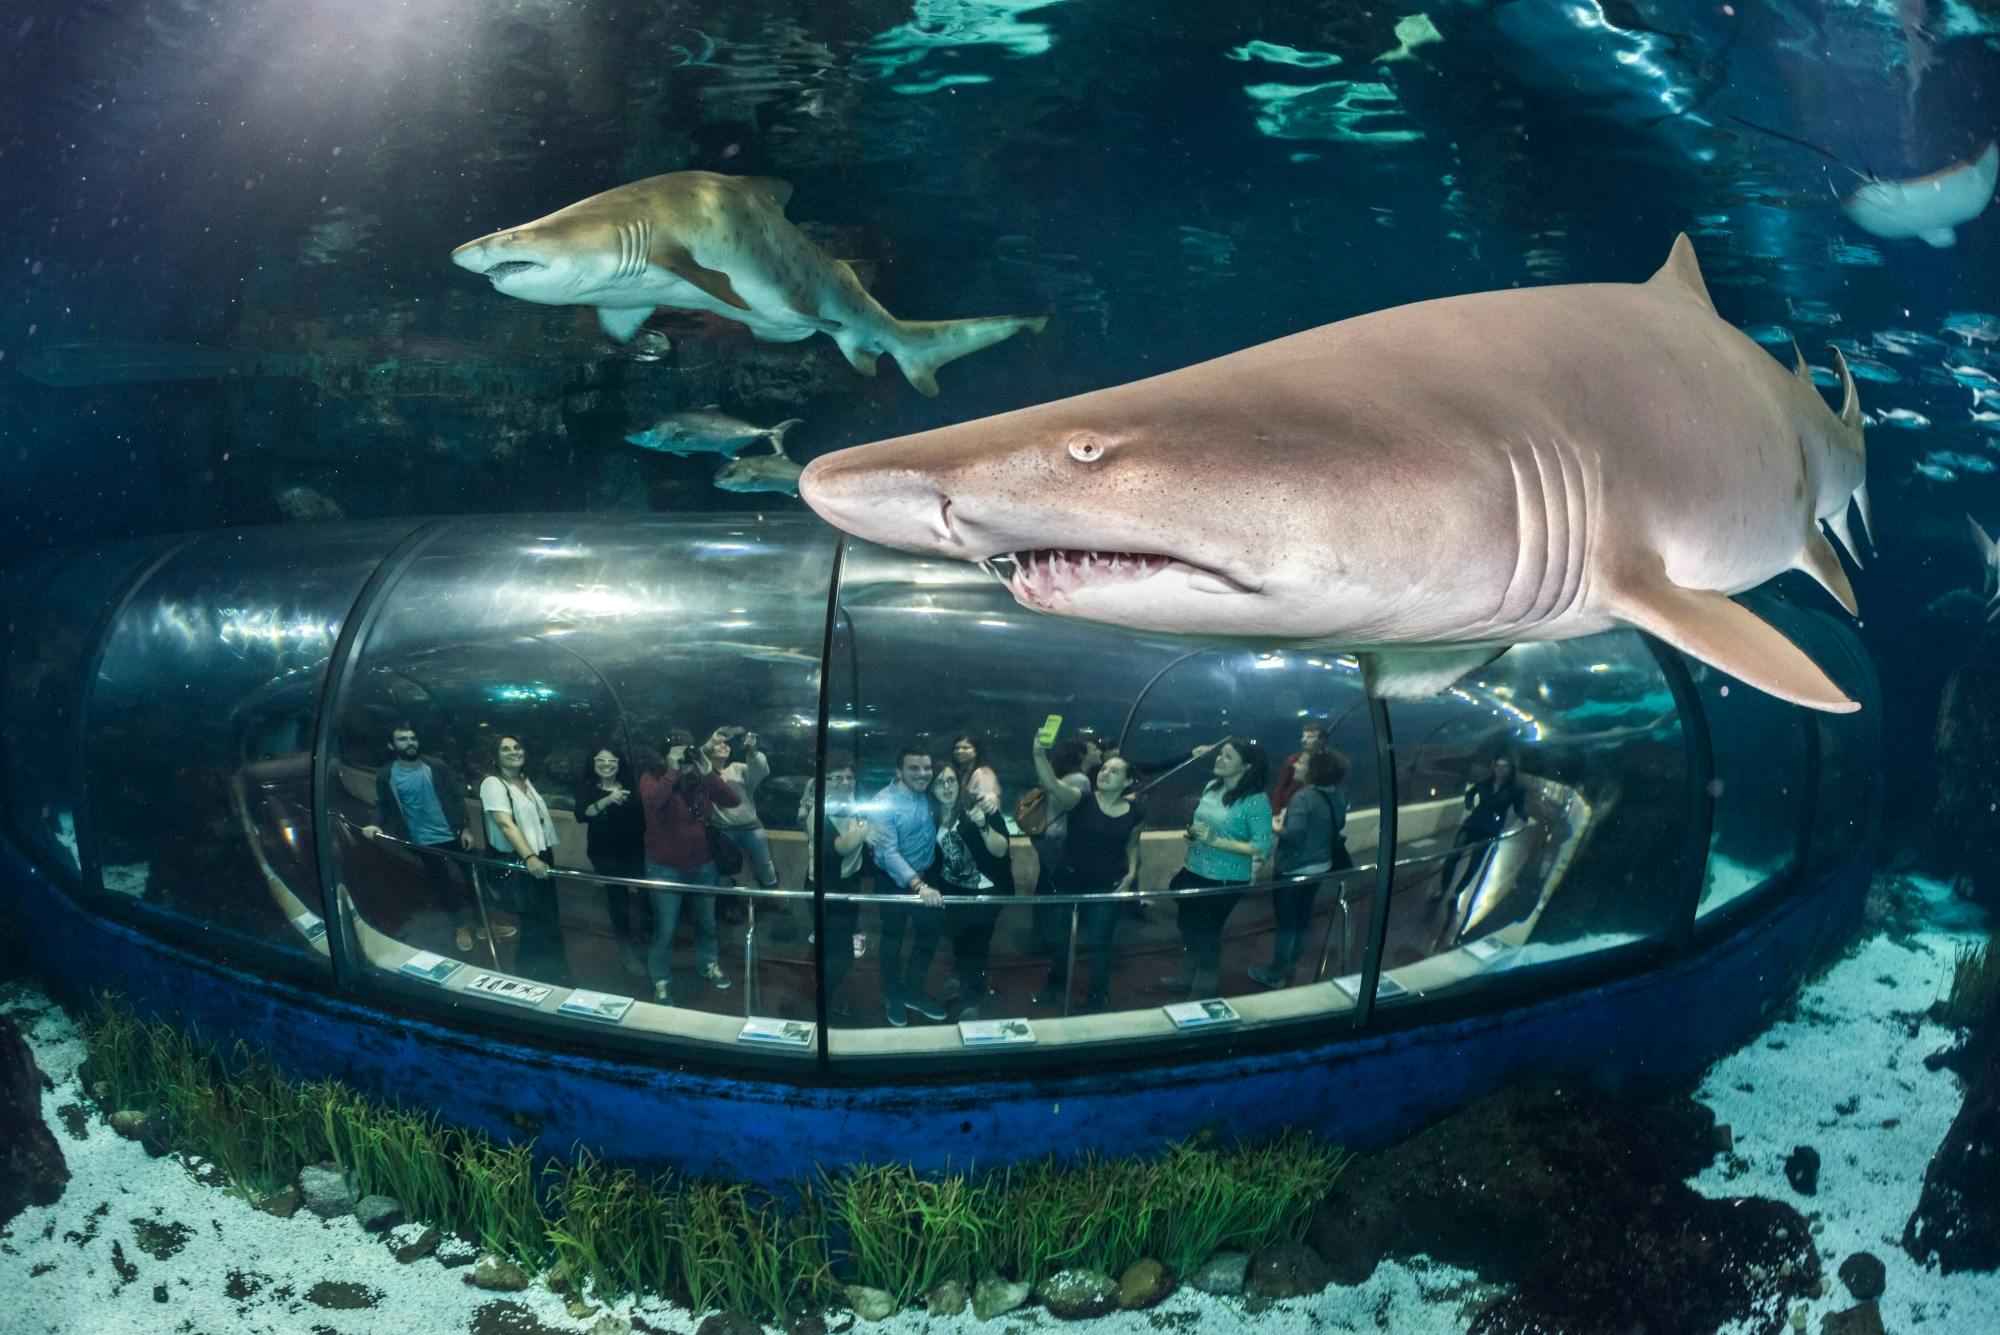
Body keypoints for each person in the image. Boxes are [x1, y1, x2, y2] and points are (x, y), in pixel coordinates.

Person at [1031, 747, 1144, 1013]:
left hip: (1107, 885)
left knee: (1101, 943)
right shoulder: (1081, 800)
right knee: (1059, 939)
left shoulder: (1136, 811)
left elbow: (1133, 845)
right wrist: (1038, 755)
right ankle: (1055, 985)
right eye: (1104, 769)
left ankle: (1097, 995)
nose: (1105, 773)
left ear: (1127, 781)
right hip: (1070, 881)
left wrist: (1131, 872)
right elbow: (1052, 784)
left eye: (1114, 771)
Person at [1164, 738, 1273, 999]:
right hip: (1194, 868)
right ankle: (1186, 974)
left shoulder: (1255, 801)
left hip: (1226, 879)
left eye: (1227, 757)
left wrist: (1216, 841)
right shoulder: (1211, 787)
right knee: (1186, 924)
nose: (1219, 759)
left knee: (1208, 933)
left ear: (1246, 766)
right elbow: (1202, 825)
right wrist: (1193, 836)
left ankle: (1204, 986)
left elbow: (1261, 846)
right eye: (1220, 754)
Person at [360, 723, 479, 953]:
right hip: (423, 841)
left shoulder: (436, 766)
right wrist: (374, 823)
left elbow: (457, 798)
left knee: (474, 879)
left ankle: (484, 922)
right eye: (402, 739)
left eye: (412, 738)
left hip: (453, 834)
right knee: (443, 886)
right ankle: (459, 927)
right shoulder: (387, 775)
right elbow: (383, 805)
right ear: (391, 745)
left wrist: (466, 828)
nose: (410, 742)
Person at [639, 729, 738, 1005]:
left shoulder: (699, 778)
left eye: (687, 749)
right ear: (664, 754)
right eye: (677, 749)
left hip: (702, 864)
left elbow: (732, 800)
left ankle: (708, 964)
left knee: (706, 922)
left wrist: (707, 771)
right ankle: (660, 979)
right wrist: (672, 772)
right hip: (664, 866)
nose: (684, 754)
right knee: (666, 929)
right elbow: (653, 803)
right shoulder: (652, 777)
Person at [1250, 747, 1353, 988]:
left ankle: (1276, 973)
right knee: (1303, 917)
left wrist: (1273, 827)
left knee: (1286, 923)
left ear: (1316, 771)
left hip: (1294, 869)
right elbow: (1340, 822)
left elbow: (1293, 836)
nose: (1297, 766)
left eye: (1303, 764)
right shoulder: (1337, 795)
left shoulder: (1303, 798)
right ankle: (1294, 962)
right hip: (1321, 866)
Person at [478, 735, 566, 983]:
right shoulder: (492, 784)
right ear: (495, 756)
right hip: (523, 858)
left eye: (517, 747)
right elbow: (505, 824)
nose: (513, 752)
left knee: (547, 918)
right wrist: (529, 857)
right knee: (534, 921)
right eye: (505, 749)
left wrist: (540, 855)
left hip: (541, 853)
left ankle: (553, 972)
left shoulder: (523, 780)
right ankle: (532, 975)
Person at [870, 741, 946, 1028]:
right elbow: (888, 853)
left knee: (928, 938)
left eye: (927, 767)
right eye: (914, 768)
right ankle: (893, 996)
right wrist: (919, 886)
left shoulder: (930, 796)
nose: (923, 773)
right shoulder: (883, 802)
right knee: (892, 940)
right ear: (898, 771)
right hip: (894, 881)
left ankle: (913, 992)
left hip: (928, 877)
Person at [933, 763, 1013, 1020]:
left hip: (985, 891)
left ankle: (972, 999)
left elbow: (1000, 850)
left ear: (960, 784)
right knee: (959, 940)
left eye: (951, 781)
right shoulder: (933, 815)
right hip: (953, 890)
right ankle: (960, 979)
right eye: (939, 782)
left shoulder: (979, 808)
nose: (946, 787)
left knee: (977, 946)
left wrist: (982, 825)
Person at [801, 762, 870, 1019]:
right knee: (838, 954)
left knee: (839, 950)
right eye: (836, 777)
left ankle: (824, 999)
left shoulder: (851, 805)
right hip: (825, 889)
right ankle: (822, 1004)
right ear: (824, 782)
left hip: (847, 885)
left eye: (849, 777)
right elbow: (836, 849)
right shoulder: (817, 813)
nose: (844, 782)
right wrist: (864, 831)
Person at [577, 744, 647, 976]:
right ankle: (627, 952)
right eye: (601, 760)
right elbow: (582, 814)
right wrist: (607, 800)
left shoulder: (631, 787)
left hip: (636, 851)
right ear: (593, 763)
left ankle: (647, 945)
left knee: (647, 898)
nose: (606, 765)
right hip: (605, 853)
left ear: (619, 764)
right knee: (618, 901)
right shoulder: (587, 788)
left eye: (612, 760)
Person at [1433, 752, 1529, 908]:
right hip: (1472, 824)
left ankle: (1457, 892)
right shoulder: (1484, 783)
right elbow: (1470, 794)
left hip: (1490, 829)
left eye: (1504, 767)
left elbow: (1519, 808)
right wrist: (1469, 804)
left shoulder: (1515, 790)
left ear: (1511, 770)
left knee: (1474, 863)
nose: (1500, 769)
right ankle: (1443, 889)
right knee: (1452, 857)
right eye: (1498, 765)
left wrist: (1526, 817)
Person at [707, 725, 779, 891]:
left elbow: (760, 770)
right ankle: (728, 902)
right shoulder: (704, 775)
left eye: (726, 744)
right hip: (722, 829)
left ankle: (772, 895)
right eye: (719, 743)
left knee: (765, 863)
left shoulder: (738, 769)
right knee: (723, 868)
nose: (724, 746)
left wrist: (753, 751)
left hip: (750, 826)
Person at [1269, 719, 1328, 817]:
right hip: (1291, 808)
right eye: (1303, 736)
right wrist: (1276, 813)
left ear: (1321, 740)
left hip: (1317, 810)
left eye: (1310, 737)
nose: (1304, 740)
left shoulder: (1328, 761)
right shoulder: (1292, 760)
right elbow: (1280, 787)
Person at [949, 732, 1002, 810]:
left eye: (965, 748)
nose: (959, 751)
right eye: (956, 748)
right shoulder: (962, 772)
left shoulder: (982, 773)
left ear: (976, 751)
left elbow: (989, 802)